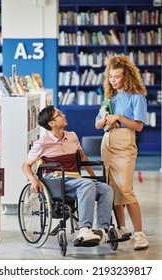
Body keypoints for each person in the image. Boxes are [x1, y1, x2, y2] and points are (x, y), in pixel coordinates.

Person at [22, 105, 113, 245]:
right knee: (86, 184)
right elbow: (25, 165)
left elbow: (83, 158)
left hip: (75, 180)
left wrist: (94, 176)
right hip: (56, 182)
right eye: (59, 114)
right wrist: (33, 180)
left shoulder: (72, 136)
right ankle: (84, 229)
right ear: (51, 123)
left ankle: (102, 231)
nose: (63, 115)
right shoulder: (42, 143)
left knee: (106, 189)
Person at [95, 55, 149, 250]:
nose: (113, 80)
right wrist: (107, 119)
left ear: (127, 77)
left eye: (117, 77)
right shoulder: (109, 98)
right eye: (110, 77)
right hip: (107, 143)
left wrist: (119, 116)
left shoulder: (137, 98)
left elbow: (139, 126)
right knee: (112, 189)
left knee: (125, 189)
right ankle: (122, 229)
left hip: (125, 144)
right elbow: (97, 123)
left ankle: (140, 234)